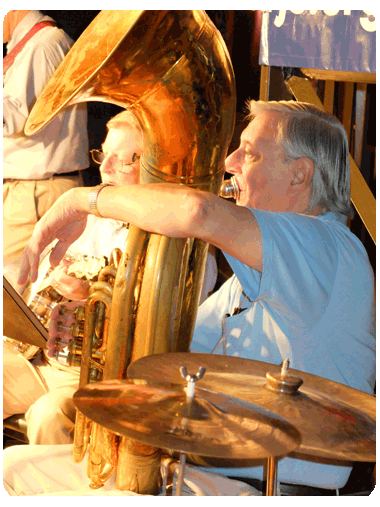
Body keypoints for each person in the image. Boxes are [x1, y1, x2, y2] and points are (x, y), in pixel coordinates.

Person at [5, 100, 375, 495]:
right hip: (200, 472)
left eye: (249, 153)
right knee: (13, 466)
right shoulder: (249, 280)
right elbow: (163, 362)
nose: (230, 161)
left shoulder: (327, 247)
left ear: (299, 174)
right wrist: (93, 333)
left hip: (264, 485)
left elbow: (195, 211)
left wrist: (82, 201)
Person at [3, 110, 218, 448]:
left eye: (124, 161)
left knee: (48, 416)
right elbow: (39, 291)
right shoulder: (90, 218)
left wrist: (91, 299)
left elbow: (167, 338)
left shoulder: (182, 250)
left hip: (99, 378)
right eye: (104, 155)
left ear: (157, 168)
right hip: (39, 358)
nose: (105, 168)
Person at [3, 10, 89, 290]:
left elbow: (10, 118)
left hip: (37, 192)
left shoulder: (43, 44)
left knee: (14, 291)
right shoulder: (37, 43)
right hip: (32, 189)